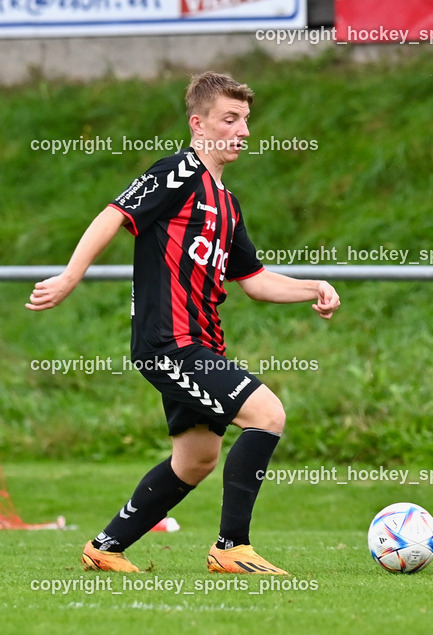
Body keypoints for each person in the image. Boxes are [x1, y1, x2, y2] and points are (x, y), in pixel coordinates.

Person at [26, 71, 340, 575]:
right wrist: (69, 277)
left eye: (245, 121)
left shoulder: (226, 202)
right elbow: (113, 214)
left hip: (200, 344)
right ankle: (232, 548)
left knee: (195, 460)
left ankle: (105, 547)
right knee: (267, 414)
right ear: (198, 124)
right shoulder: (178, 172)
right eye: (229, 119)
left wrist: (314, 288)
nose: (242, 131)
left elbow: (255, 281)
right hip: (168, 342)